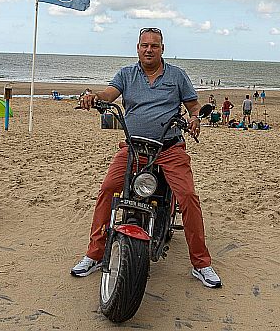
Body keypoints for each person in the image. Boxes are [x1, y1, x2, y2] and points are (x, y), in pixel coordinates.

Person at [72, 27, 221, 288]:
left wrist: (196, 117)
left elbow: (193, 106)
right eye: (144, 45)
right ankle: (94, 254)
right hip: (133, 148)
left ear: (162, 48)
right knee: (108, 190)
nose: (149, 49)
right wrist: (95, 97)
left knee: (187, 197)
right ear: (137, 48)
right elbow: (109, 94)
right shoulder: (127, 74)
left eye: (154, 45)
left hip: (169, 149)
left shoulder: (177, 76)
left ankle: (201, 263)